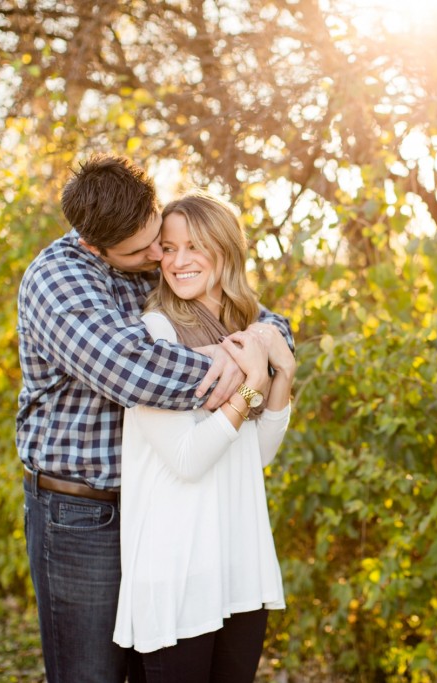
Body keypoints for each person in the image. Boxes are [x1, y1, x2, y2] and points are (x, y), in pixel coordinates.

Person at [16, 155, 293, 683]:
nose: (156, 256)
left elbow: (260, 319)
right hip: (82, 512)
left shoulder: (159, 262)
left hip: (162, 508)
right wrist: (246, 366)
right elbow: (137, 372)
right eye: (143, 249)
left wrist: (262, 344)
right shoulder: (59, 282)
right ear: (93, 245)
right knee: (90, 674)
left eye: (158, 239)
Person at [112, 190, 294, 682]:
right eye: (168, 249)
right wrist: (252, 384)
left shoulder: (246, 327)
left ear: (226, 249)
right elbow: (188, 459)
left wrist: (283, 377)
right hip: (178, 569)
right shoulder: (155, 333)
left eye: (194, 246)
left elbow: (255, 457)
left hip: (237, 560)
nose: (178, 261)